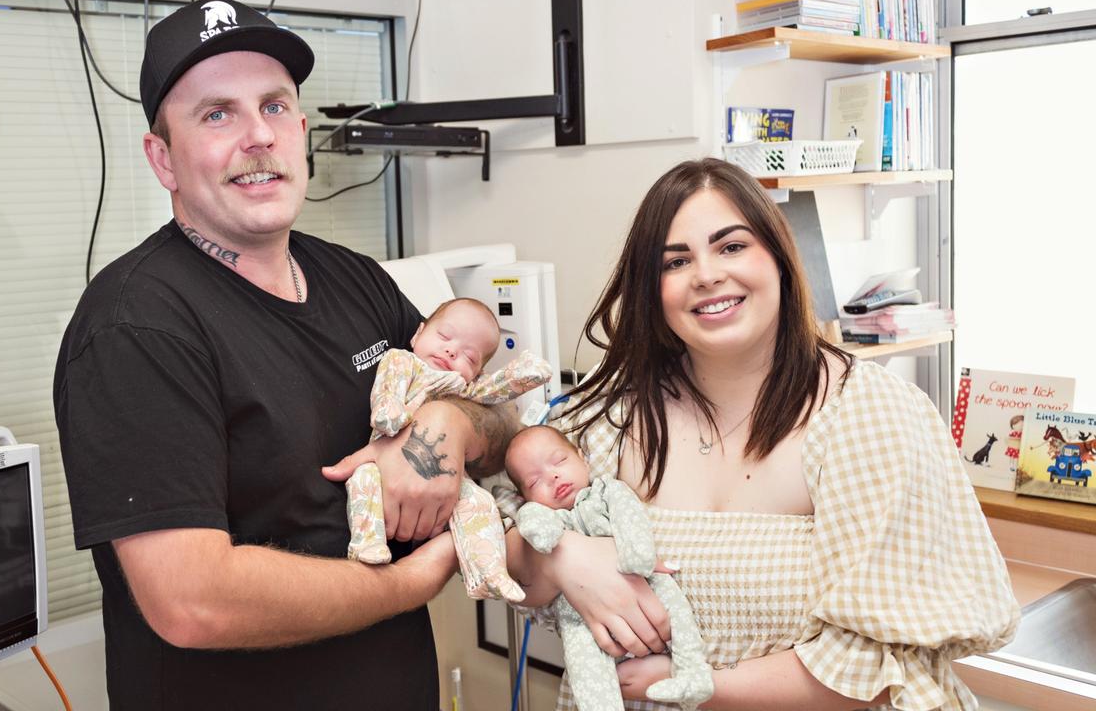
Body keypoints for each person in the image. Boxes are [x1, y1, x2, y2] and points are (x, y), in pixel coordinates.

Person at [52, 0, 515, 709]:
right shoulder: (135, 330)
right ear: (162, 159)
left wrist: (444, 429)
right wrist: (408, 584)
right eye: (216, 115)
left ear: (301, 131)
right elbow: (194, 601)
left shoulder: (354, 277)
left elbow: (499, 425)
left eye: (273, 106)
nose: (256, 137)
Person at [502, 157, 1019, 710]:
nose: (706, 275)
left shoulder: (871, 415)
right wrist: (561, 556)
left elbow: (887, 667)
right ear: (653, 290)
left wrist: (689, 683)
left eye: (731, 247)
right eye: (676, 261)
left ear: (778, 257)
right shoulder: (610, 419)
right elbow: (509, 564)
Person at [347, 297, 551, 604]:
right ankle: (367, 544)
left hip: (445, 479)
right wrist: (388, 410)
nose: (452, 351)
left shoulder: (460, 386)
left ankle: (489, 571)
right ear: (417, 335)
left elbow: (493, 390)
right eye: (444, 337)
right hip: (381, 459)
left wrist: (521, 376)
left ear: (476, 373)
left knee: (480, 503)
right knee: (362, 480)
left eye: (469, 357)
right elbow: (388, 385)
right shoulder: (402, 361)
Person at [504, 425, 713, 711]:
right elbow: (531, 526)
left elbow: (631, 519)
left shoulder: (606, 491)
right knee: (583, 662)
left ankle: (693, 674)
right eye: (534, 481)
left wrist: (638, 556)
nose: (552, 476)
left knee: (676, 608)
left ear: (582, 458)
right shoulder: (546, 515)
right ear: (525, 497)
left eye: (560, 461)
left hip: (642, 577)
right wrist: (534, 521)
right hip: (578, 612)